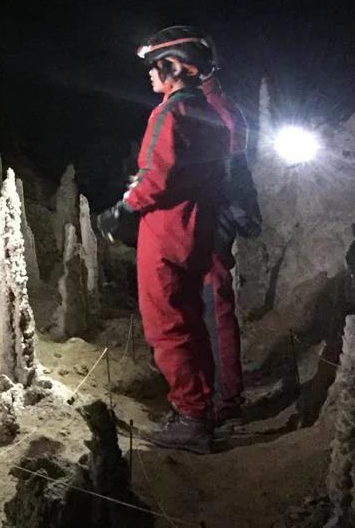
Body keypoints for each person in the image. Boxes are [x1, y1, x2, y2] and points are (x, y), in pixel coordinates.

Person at [97, 27, 229, 453]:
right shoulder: (207, 112)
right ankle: (201, 408)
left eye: (155, 67)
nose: (150, 76)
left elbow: (157, 175)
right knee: (190, 321)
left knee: (166, 324)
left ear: (172, 66)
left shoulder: (170, 113)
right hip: (197, 227)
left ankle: (190, 419)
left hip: (166, 231)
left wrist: (122, 211)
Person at [194, 31, 261, 426]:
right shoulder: (210, 103)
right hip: (209, 213)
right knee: (204, 306)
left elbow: (231, 169)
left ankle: (226, 398)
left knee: (213, 306)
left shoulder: (215, 107)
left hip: (213, 215)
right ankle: (216, 392)